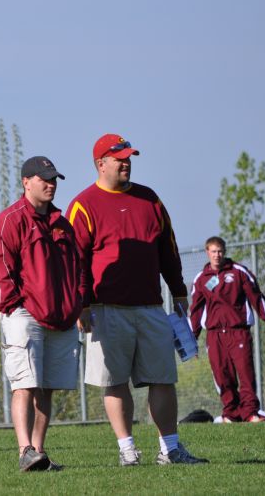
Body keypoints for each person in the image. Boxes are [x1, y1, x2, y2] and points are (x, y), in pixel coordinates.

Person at [66, 133, 207, 466]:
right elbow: (76, 261)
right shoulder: (83, 204)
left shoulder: (149, 199)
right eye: (119, 158)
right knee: (114, 381)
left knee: (163, 378)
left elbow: (168, 249)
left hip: (150, 307)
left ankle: (170, 449)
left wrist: (178, 289)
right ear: (101, 164)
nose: (126, 162)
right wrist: (81, 304)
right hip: (105, 309)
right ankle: (127, 450)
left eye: (129, 157)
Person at [0, 156, 85, 472]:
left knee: (47, 388)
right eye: (44, 179)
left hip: (61, 315)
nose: (51, 184)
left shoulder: (62, 223)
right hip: (24, 313)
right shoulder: (8, 220)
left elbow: (78, 268)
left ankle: (39, 452)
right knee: (24, 384)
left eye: (54, 179)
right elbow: (0, 270)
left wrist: (77, 303)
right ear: (26, 182)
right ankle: (24, 449)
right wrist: (13, 305)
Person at [189, 236, 265, 423]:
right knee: (222, 375)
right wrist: (192, 340)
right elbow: (195, 312)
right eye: (213, 251)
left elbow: (257, 298)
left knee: (245, 373)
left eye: (220, 251)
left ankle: (250, 413)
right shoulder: (201, 279)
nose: (217, 255)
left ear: (225, 251)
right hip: (214, 335)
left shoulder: (238, 272)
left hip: (238, 332)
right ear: (207, 252)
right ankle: (230, 413)